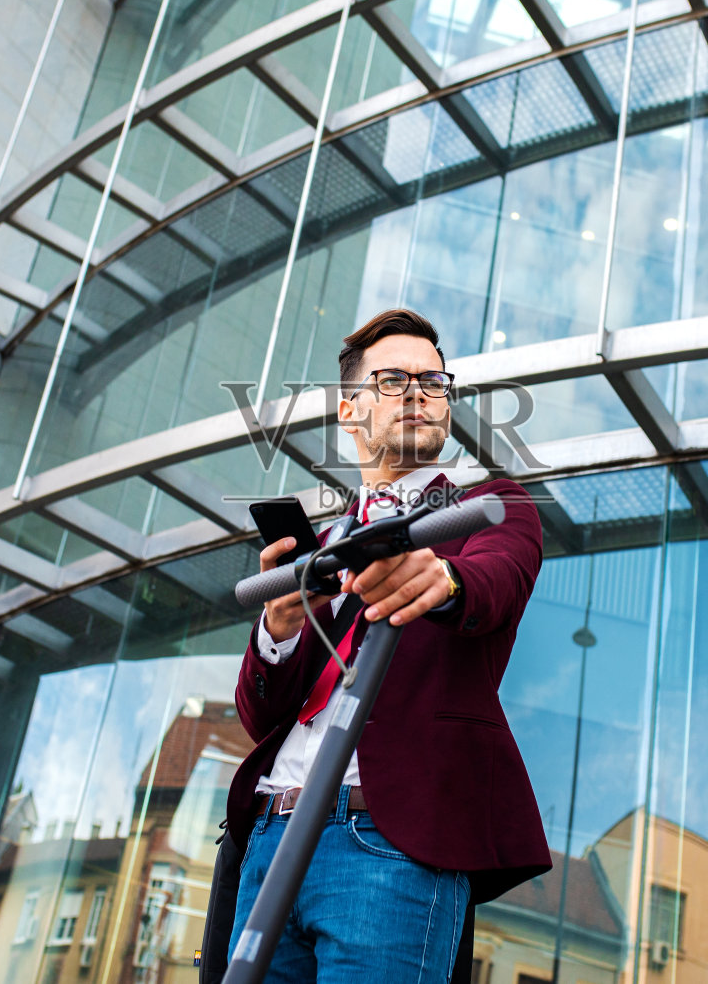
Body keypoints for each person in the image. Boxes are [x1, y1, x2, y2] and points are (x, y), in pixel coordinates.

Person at [223, 308, 550, 982]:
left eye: (433, 381)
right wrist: (279, 630)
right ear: (350, 410)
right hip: (268, 833)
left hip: (387, 840)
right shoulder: (319, 556)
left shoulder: (493, 506)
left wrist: (444, 575)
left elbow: (495, 581)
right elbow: (262, 716)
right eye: (393, 379)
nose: (416, 393)